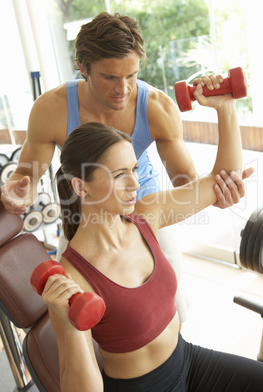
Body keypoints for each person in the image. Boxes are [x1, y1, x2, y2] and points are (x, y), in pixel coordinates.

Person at [0, 12, 252, 324]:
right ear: (83, 68)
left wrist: (219, 191)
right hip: (85, 219)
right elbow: (27, 172)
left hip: (144, 214)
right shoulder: (52, 109)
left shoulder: (156, 107)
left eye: (131, 75)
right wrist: (19, 186)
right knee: (83, 322)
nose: (123, 88)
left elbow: (186, 182)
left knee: (170, 316)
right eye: (110, 77)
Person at [40, 83, 263, 392]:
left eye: (134, 168)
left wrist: (225, 108)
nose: (135, 183)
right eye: (119, 175)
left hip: (188, 360)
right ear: (81, 187)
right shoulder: (72, 278)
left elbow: (221, 180)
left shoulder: (145, 214)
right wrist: (69, 325)